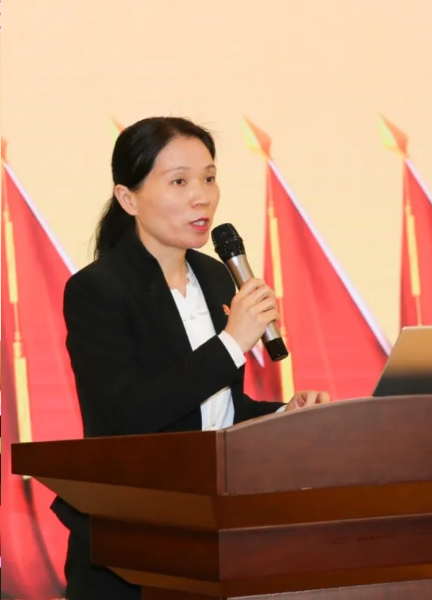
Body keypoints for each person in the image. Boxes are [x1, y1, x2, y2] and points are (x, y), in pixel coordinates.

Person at [51, 116, 330, 599]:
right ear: (128, 198)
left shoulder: (218, 277)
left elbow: (214, 413)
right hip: (129, 542)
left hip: (213, 531)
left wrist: (282, 416)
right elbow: (130, 412)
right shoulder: (97, 291)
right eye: (179, 182)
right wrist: (231, 343)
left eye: (209, 177)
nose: (202, 196)